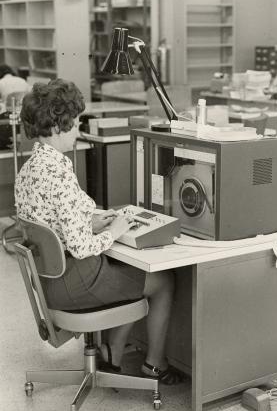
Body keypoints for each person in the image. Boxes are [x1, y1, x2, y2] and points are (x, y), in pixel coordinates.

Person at [15, 79, 183, 385]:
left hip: (51, 282)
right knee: (163, 281)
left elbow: (51, 225)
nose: (79, 128)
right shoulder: (59, 172)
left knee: (126, 270)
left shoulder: (30, 169)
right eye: (75, 121)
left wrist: (91, 222)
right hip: (78, 280)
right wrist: (116, 228)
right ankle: (154, 365)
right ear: (57, 126)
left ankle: (112, 352)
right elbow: (80, 248)